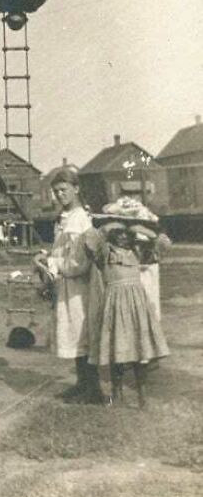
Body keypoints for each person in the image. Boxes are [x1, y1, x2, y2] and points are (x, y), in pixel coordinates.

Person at [89, 200, 169, 408]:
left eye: (127, 233)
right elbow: (91, 239)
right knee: (118, 350)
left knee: (139, 351)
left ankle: (142, 394)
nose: (123, 236)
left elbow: (164, 242)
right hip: (114, 304)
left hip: (136, 305)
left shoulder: (138, 251)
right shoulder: (106, 252)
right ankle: (117, 392)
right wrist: (112, 224)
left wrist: (139, 228)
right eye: (119, 232)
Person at [34, 168, 100, 404]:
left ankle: (93, 389)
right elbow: (62, 250)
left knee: (82, 333)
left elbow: (78, 262)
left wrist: (52, 263)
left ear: (76, 189)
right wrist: (46, 255)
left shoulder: (79, 220)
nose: (59, 195)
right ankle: (82, 384)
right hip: (68, 285)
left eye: (63, 190)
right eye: (56, 191)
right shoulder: (65, 218)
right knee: (73, 333)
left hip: (79, 286)